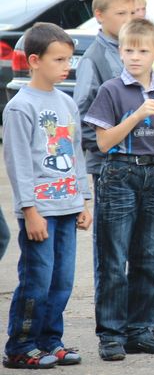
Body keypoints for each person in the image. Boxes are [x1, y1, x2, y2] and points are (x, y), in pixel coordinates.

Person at [84, 19, 154, 360]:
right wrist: (139, 114)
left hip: (153, 175)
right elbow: (103, 142)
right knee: (113, 259)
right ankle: (111, 335)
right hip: (118, 174)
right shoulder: (112, 89)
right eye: (128, 50)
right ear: (120, 51)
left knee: (148, 256)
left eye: (143, 50)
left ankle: (139, 330)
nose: (135, 57)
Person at [3, 24, 92, 369]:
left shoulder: (66, 102)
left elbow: (77, 154)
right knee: (37, 280)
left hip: (68, 206)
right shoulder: (20, 107)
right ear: (36, 60)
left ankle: (49, 341)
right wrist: (30, 210)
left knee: (62, 280)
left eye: (69, 59)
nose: (66, 65)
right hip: (39, 211)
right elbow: (18, 164)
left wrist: (83, 200)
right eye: (59, 59)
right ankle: (21, 344)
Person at [74, 0, 135, 189]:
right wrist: (110, 148)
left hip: (137, 163)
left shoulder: (132, 52)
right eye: (121, 13)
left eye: (132, 13)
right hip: (109, 165)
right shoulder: (94, 58)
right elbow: (81, 114)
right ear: (99, 15)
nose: (129, 19)